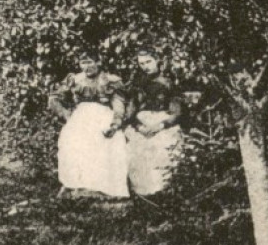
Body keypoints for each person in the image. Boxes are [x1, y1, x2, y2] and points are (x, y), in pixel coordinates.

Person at [46, 52, 129, 199]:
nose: (87, 67)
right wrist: (66, 114)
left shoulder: (111, 80)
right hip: (80, 118)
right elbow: (54, 98)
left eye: (90, 62)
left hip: (103, 116)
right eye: (83, 63)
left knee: (107, 145)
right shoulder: (75, 79)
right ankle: (74, 185)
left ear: (99, 62)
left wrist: (115, 124)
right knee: (72, 144)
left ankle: (101, 189)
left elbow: (118, 103)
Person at [124, 49, 184, 195]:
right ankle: (142, 193)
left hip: (163, 123)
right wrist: (139, 127)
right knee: (135, 151)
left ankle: (163, 191)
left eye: (149, 61)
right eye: (142, 63)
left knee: (161, 148)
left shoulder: (169, 82)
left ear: (158, 60)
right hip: (141, 125)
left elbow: (176, 111)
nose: (145, 66)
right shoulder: (137, 84)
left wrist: (160, 126)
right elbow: (130, 112)